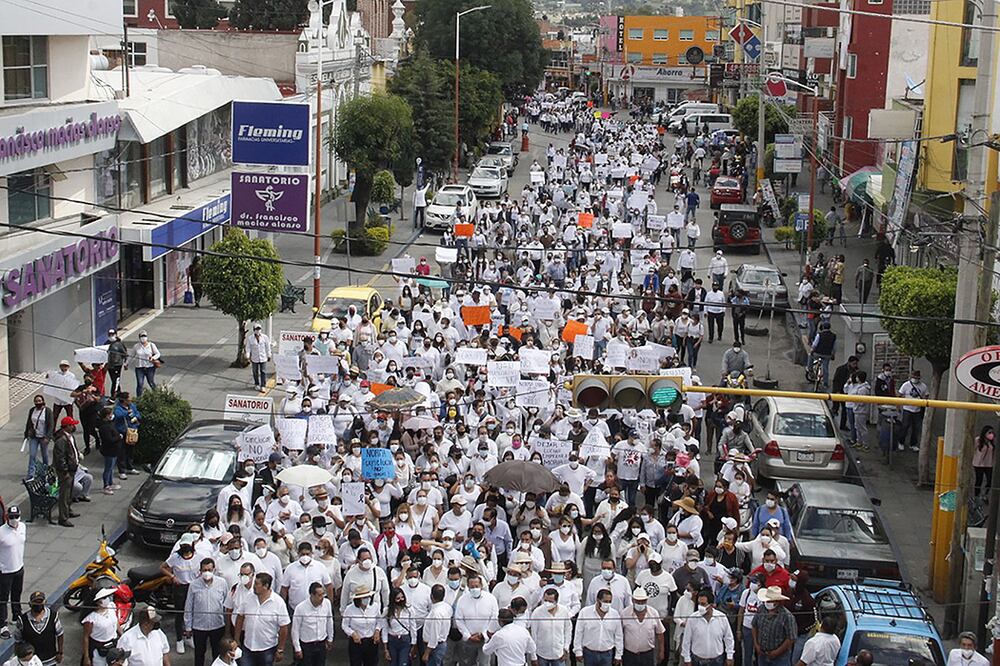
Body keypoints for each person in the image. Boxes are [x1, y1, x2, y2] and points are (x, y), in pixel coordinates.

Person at [233, 573, 290, 666]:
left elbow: (284, 627)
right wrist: (236, 638)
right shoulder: (249, 597)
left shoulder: (278, 602)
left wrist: (280, 649)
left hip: (267, 649)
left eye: (256, 584)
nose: (254, 586)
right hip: (248, 646)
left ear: (266, 586)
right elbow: (240, 617)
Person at [184, 558, 227, 666]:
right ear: (200, 571)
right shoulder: (194, 585)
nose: (207, 572)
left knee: (217, 654)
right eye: (204, 570)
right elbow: (188, 606)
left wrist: (228, 628)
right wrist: (188, 627)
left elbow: (227, 605)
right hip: (199, 626)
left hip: (217, 625)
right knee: (199, 654)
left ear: (214, 570)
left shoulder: (222, 583)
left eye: (209, 569)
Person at [680, 587, 734, 666]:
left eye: (703, 604)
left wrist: (729, 656)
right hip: (697, 660)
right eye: (699, 604)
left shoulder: (721, 617)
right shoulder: (692, 619)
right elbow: (686, 641)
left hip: (717, 661)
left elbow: (728, 638)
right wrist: (687, 658)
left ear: (711, 605)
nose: (700, 607)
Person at [574, 589, 623, 666]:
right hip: (589, 654)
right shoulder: (585, 612)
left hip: (607, 654)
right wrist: (578, 651)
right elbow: (579, 633)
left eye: (609, 601)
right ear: (598, 600)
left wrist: (618, 655)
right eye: (605, 601)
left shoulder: (615, 614)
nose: (607, 604)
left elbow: (619, 636)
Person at [291, 582, 335, 666]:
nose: (322, 597)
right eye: (319, 595)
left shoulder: (327, 603)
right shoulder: (300, 608)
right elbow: (295, 630)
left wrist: (330, 638)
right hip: (307, 645)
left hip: (321, 643)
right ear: (312, 595)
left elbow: (329, 621)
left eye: (323, 594)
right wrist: (297, 648)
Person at [751, 587, 796, 666]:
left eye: (769, 601)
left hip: (780, 658)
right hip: (762, 653)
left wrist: (777, 652)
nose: (767, 602)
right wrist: (756, 644)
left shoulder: (787, 616)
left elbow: (791, 638)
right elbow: (754, 626)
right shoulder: (761, 609)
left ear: (777, 602)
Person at [529, 588, 573, 666]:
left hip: (559, 654)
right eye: (545, 600)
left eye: (550, 601)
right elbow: (534, 635)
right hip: (541, 654)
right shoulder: (537, 613)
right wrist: (534, 656)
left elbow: (567, 630)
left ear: (556, 601)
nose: (547, 603)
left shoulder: (564, 611)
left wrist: (566, 648)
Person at [621, 588, 665, 666]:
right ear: (633, 600)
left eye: (643, 601)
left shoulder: (653, 613)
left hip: (647, 655)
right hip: (629, 655)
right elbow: (620, 635)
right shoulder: (624, 613)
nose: (640, 603)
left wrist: (661, 651)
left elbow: (660, 633)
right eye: (638, 601)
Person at [0, 506, 25, 639]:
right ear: (7, 517)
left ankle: (17, 615)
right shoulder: (1, 532)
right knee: (3, 599)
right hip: (5, 571)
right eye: (11, 517)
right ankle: (2, 624)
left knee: (17, 594)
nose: (14, 519)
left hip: (19, 567)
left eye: (16, 516)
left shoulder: (22, 527)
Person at [18, 591, 63, 666]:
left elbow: (60, 634)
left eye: (40, 602)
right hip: (31, 662)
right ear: (30, 604)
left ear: (44, 602)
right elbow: (18, 640)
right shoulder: (22, 620)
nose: (38, 604)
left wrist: (60, 652)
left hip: (50, 660)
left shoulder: (53, 616)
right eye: (35, 602)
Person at [341, 584, 382, 666]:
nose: (366, 599)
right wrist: (352, 633)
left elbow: (379, 621)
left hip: (371, 641)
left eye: (368, 597)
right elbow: (344, 625)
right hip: (357, 642)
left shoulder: (375, 607)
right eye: (364, 598)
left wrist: (377, 630)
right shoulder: (349, 609)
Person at [51, 417, 81, 528]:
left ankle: (68, 510)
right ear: (67, 426)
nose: (74, 426)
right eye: (72, 425)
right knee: (64, 494)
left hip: (72, 469)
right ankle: (63, 518)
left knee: (69, 493)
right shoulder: (61, 440)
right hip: (66, 472)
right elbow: (60, 458)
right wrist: (65, 471)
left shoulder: (69, 437)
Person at [82, 588, 121, 666]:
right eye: (104, 597)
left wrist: (122, 635)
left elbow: (116, 623)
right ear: (98, 602)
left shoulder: (111, 607)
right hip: (98, 649)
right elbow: (85, 637)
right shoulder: (91, 618)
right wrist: (86, 657)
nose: (107, 599)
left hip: (113, 645)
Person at [383, 587, 418, 666]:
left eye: (402, 597)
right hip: (392, 640)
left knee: (403, 663)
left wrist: (413, 644)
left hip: (405, 639)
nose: (401, 600)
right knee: (393, 663)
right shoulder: (387, 611)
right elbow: (385, 629)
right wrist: (385, 648)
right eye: (398, 598)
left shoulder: (409, 610)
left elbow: (413, 627)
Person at [23, 395, 53, 480]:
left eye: (39, 401)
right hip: (34, 436)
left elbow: (51, 425)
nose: (38, 402)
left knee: (45, 455)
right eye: (36, 401)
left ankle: (45, 472)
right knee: (32, 454)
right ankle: (31, 474)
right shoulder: (32, 410)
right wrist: (26, 433)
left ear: (43, 401)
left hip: (43, 437)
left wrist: (48, 437)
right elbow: (29, 422)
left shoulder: (47, 411)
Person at [897, 370, 928, 452]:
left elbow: (926, 395)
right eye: (913, 377)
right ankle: (901, 442)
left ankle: (913, 444)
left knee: (916, 428)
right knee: (905, 426)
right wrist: (899, 406)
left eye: (916, 377)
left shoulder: (923, 386)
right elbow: (899, 395)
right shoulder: (906, 385)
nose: (915, 379)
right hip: (907, 409)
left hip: (917, 410)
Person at [112, 393, 141, 478]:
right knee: (122, 452)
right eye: (129, 399)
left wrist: (135, 416)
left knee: (130, 451)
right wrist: (127, 413)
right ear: (124, 400)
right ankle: (122, 470)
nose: (130, 401)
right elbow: (118, 415)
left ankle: (130, 467)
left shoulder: (132, 406)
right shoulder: (118, 408)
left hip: (132, 431)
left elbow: (138, 413)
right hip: (123, 432)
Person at [422, 585, 452, 666]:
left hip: (434, 647)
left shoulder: (436, 613)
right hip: (441, 644)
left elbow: (434, 635)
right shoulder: (447, 607)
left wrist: (427, 652)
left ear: (431, 596)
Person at [97, 408, 123, 496]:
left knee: (111, 468)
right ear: (107, 416)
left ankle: (111, 483)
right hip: (109, 450)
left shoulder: (110, 424)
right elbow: (109, 439)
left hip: (114, 450)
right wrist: (119, 437)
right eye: (110, 414)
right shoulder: (104, 427)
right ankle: (106, 485)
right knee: (108, 469)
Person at [130, 331, 161, 396]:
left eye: (144, 336)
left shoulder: (151, 345)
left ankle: (157, 396)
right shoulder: (136, 346)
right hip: (139, 368)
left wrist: (153, 358)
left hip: (150, 367)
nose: (143, 338)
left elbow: (158, 354)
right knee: (140, 384)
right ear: (139, 337)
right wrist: (126, 363)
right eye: (142, 336)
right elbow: (131, 356)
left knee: (151, 382)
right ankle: (139, 398)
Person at [808, 323, 836, 391]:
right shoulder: (834, 336)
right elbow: (834, 347)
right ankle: (825, 383)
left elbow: (815, 344)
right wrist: (833, 354)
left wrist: (811, 350)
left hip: (818, 353)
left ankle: (810, 369)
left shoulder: (819, 334)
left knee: (810, 356)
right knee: (825, 368)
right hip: (827, 354)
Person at [246, 325, 272, 392]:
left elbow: (268, 347)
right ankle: (256, 384)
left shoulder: (265, 337)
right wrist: (248, 356)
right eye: (256, 329)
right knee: (255, 371)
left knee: (263, 371)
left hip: (263, 357)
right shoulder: (250, 338)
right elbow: (248, 348)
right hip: (255, 358)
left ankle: (263, 385)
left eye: (259, 329)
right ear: (254, 330)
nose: (258, 330)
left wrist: (269, 355)